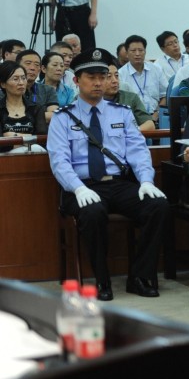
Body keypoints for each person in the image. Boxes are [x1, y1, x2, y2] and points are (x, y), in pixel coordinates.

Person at [47, 48, 168, 300]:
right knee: (93, 212)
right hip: (82, 186)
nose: (99, 82)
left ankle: (139, 276)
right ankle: (102, 281)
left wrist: (146, 180)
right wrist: (77, 188)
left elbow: (138, 150)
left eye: (102, 76)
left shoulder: (121, 113)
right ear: (76, 80)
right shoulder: (61, 118)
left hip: (119, 184)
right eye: (91, 77)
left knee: (158, 205)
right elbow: (59, 161)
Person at [0, 61, 48, 153]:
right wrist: (29, 138)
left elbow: (42, 141)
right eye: (15, 79)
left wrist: (12, 136)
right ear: (3, 84)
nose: (21, 83)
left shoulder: (36, 108)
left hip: (33, 155)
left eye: (23, 78)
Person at [119, 35, 166, 124]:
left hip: (157, 117)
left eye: (141, 50)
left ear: (145, 51)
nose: (137, 54)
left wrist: (157, 113)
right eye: (133, 51)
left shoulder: (156, 69)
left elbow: (164, 95)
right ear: (127, 53)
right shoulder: (120, 74)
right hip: (133, 119)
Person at [103, 63, 155, 131]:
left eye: (116, 76)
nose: (115, 81)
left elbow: (150, 125)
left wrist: (131, 133)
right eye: (109, 77)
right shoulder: (91, 100)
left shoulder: (131, 98)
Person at [16, 49, 58, 122]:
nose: (32, 68)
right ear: (17, 66)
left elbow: (53, 115)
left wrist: (22, 116)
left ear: (40, 69)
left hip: (41, 131)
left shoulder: (48, 90)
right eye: (28, 63)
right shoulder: (7, 90)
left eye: (36, 65)